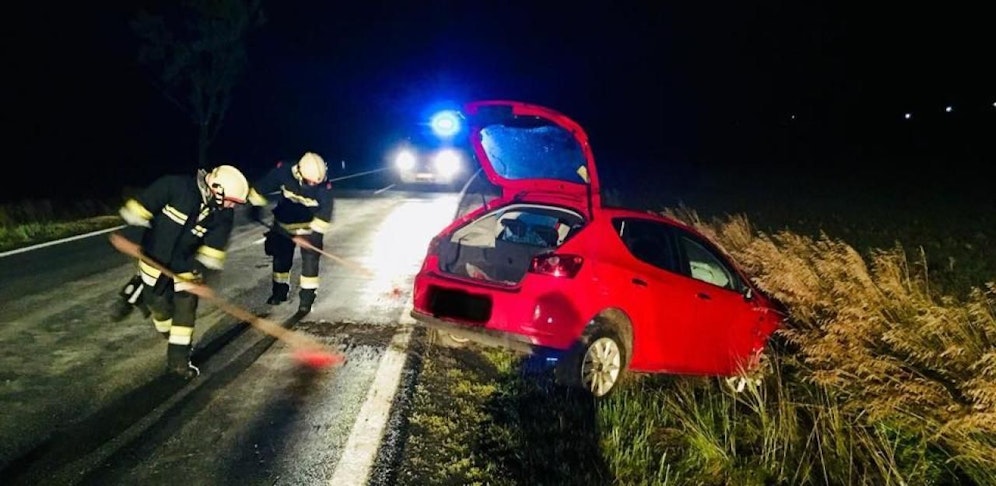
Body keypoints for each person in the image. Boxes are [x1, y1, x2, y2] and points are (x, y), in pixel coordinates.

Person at [111, 164, 250, 378]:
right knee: (160, 309)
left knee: (185, 310)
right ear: (217, 188)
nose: (232, 206)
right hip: (154, 258)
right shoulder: (175, 186)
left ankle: (179, 362)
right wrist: (130, 237)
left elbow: (212, 252)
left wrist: (204, 279)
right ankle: (138, 293)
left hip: (186, 266)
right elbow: (138, 211)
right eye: (231, 200)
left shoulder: (223, 215)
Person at [247, 152, 334, 314]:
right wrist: (255, 208)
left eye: (316, 183)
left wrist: (311, 238)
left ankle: (307, 299)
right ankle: (279, 292)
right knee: (281, 259)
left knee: (310, 263)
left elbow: (324, 216)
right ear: (299, 173)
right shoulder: (283, 171)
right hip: (284, 224)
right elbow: (260, 188)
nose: (313, 185)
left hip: (309, 226)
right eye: (309, 182)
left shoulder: (324, 187)